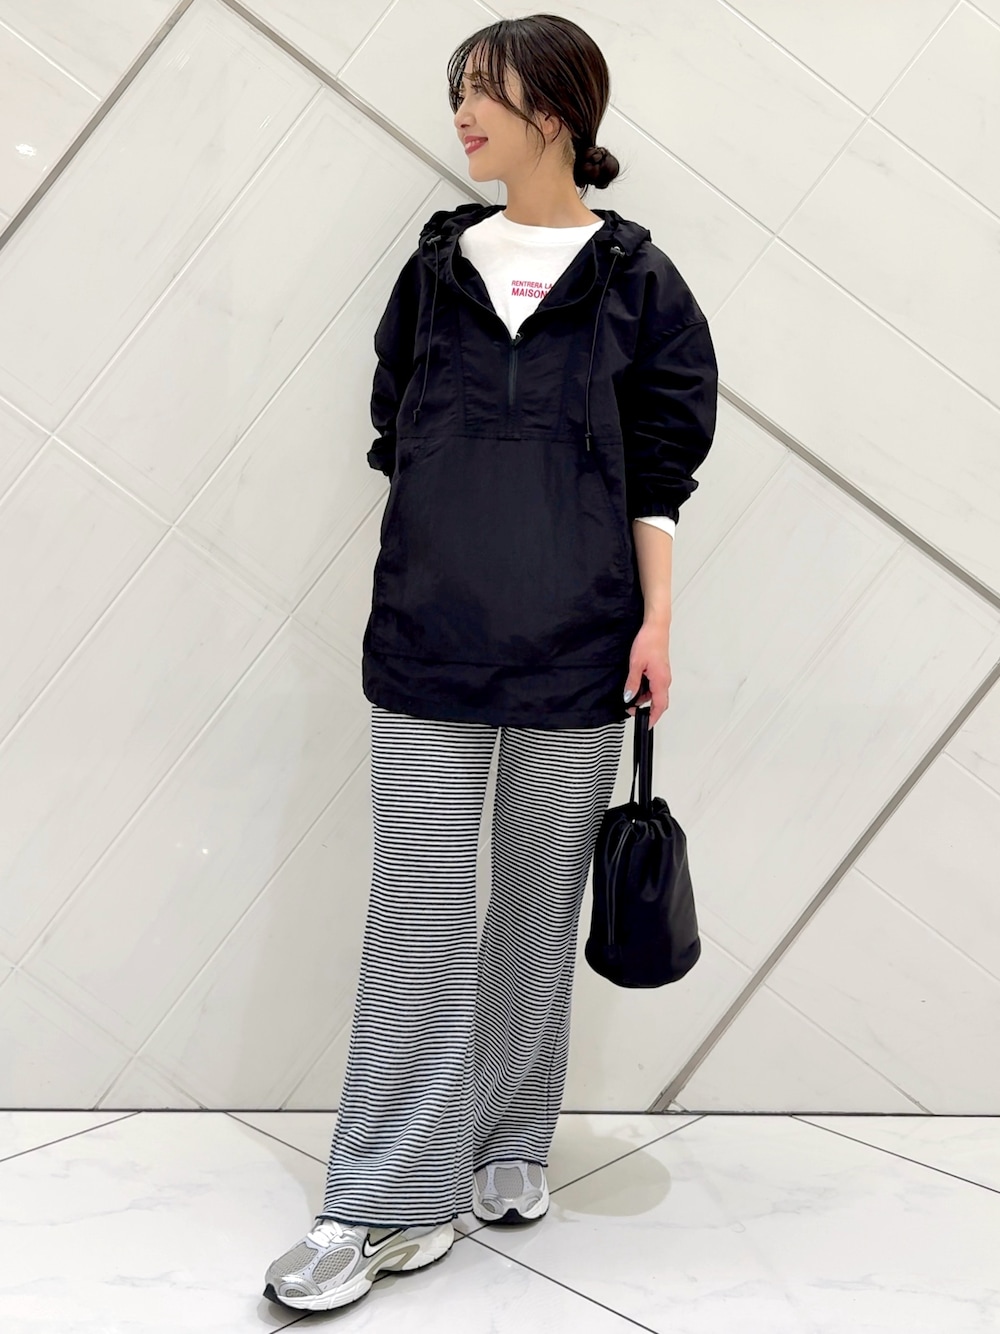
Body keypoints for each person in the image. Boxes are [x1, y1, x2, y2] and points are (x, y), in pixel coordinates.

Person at [264, 12, 717, 1313]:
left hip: (581, 635)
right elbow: (395, 427)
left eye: (484, 92)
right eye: (458, 90)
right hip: (431, 633)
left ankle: (510, 1135)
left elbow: (660, 468)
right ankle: (381, 1197)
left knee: (534, 899)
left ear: (555, 112)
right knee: (415, 909)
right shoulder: (435, 268)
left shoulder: (637, 280)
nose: (461, 114)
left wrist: (656, 620)